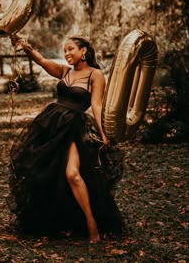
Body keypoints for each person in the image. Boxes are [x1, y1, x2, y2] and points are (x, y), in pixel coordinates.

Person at [8, 35, 125, 243]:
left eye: (71, 49)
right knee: (51, 174)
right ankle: (63, 222)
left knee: (72, 174)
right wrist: (25, 45)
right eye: (64, 51)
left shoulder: (95, 75)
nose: (67, 54)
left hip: (73, 127)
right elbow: (42, 61)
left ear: (84, 52)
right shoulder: (65, 71)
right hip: (51, 125)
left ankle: (92, 224)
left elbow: (97, 105)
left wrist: (105, 133)